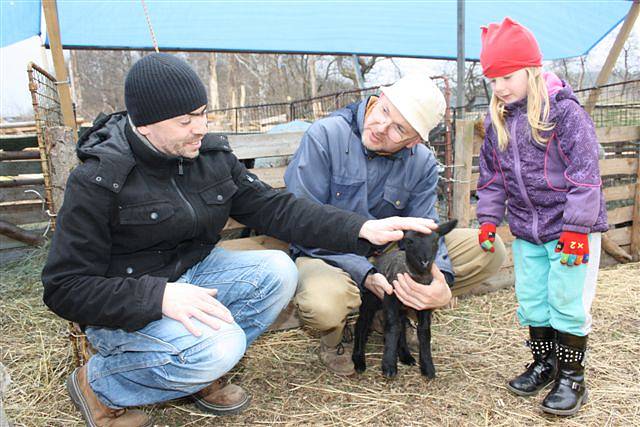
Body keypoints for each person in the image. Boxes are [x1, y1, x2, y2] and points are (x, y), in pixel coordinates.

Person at [41, 53, 440, 427]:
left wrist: (359, 229)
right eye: (185, 121)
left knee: (278, 271)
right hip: (128, 304)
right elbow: (64, 288)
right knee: (221, 346)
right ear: (146, 123)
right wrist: (158, 296)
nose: (201, 127)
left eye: (202, 114)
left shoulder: (208, 157)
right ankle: (102, 385)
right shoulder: (99, 181)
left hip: (190, 275)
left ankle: (197, 372)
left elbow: (276, 209)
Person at [284, 74, 506, 376]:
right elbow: (301, 222)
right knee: (324, 302)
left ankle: (398, 309)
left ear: (415, 140)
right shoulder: (325, 136)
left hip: (390, 253)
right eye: (385, 111)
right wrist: (367, 273)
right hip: (326, 252)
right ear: (379, 97)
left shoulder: (422, 162)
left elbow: (426, 227)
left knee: (488, 250)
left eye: (399, 128)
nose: (381, 128)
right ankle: (337, 335)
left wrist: (443, 283)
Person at [476, 18, 608, 416]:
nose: (499, 86)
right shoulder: (496, 120)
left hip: (570, 231)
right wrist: (487, 220)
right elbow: (492, 179)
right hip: (527, 231)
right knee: (533, 300)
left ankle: (573, 377)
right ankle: (545, 363)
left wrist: (577, 229)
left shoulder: (564, 113)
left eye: (507, 75)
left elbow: (586, 173)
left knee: (567, 301)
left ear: (531, 69)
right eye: (492, 79)